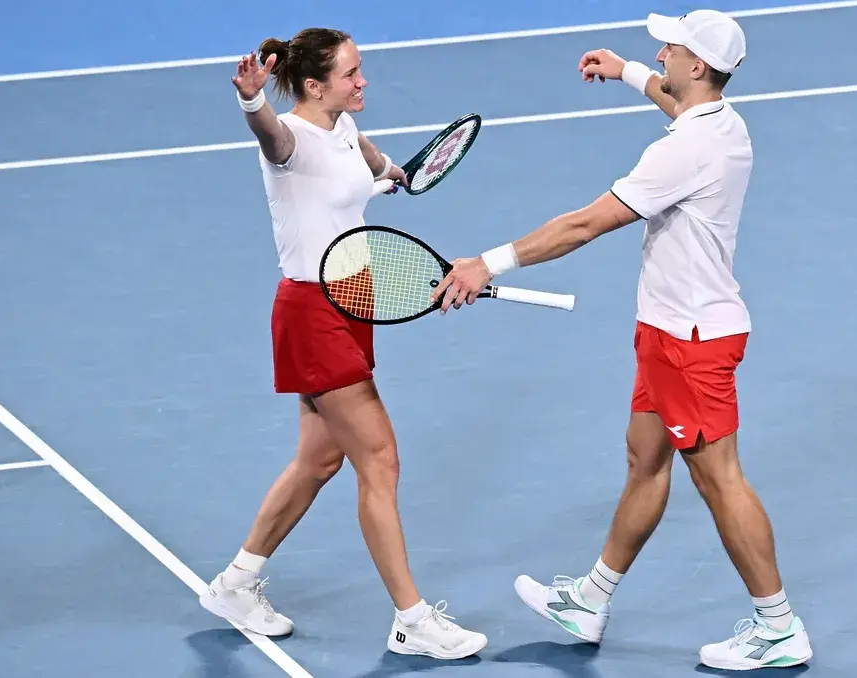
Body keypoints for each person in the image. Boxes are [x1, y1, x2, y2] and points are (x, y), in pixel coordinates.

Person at [431, 10, 812, 671]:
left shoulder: (683, 151)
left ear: (698, 65)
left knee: (719, 479)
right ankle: (591, 599)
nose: (661, 54)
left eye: (671, 49)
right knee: (645, 460)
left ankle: (778, 627)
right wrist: (626, 71)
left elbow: (584, 225)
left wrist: (486, 264)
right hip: (667, 332)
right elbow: (671, 97)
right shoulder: (720, 120)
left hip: (692, 342)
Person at [197, 27, 488, 661]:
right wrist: (251, 100)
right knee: (379, 460)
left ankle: (235, 585)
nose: (363, 81)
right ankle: (411, 620)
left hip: (352, 299)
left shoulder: (344, 128)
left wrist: (396, 174)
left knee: (318, 460)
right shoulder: (290, 139)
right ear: (314, 85)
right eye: (351, 74)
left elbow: (372, 164)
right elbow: (269, 135)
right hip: (313, 313)